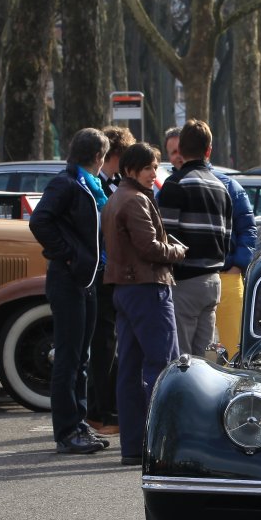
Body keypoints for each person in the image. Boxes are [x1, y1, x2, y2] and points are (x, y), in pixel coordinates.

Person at [102, 141, 186, 466]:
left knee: (130, 368)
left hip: (125, 289)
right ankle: (162, 445)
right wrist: (178, 251)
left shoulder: (117, 198)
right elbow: (150, 247)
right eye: (149, 167)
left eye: (155, 166)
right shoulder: (136, 200)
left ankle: (134, 445)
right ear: (131, 170)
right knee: (163, 366)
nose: (154, 173)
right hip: (148, 288)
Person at [29, 127, 111, 455]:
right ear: (98, 156)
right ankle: (66, 431)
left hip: (86, 278)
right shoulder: (66, 183)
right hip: (68, 278)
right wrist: (69, 254)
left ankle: (79, 422)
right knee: (69, 356)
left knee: (82, 356)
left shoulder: (90, 185)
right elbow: (39, 221)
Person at [159, 120, 233, 356]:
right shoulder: (221, 188)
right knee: (204, 359)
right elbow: (227, 238)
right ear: (208, 150)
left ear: (180, 149)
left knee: (181, 359)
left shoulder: (175, 184)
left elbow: (166, 237)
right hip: (213, 281)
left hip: (184, 281)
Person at [85, 126, 135, 436]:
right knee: (104, 344)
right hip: (104, 271)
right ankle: (102, 412)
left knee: (106, 343)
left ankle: (101, 410)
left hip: (107, 271)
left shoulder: (111, 184)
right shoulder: (102, 186)